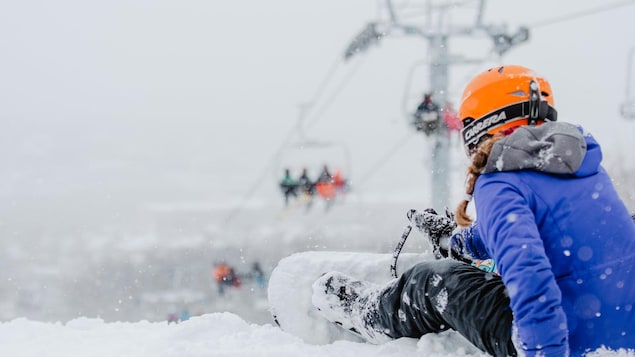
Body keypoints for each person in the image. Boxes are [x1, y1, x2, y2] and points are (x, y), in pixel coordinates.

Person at [311, 65, 635, 356]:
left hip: (560, 341)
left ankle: (367, 312)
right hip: (621, 330)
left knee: (432, 281)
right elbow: (522, 229)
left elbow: (530, 274)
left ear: (482, 126)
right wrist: (455, 241)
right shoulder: (581, 164)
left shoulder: (500, 181)